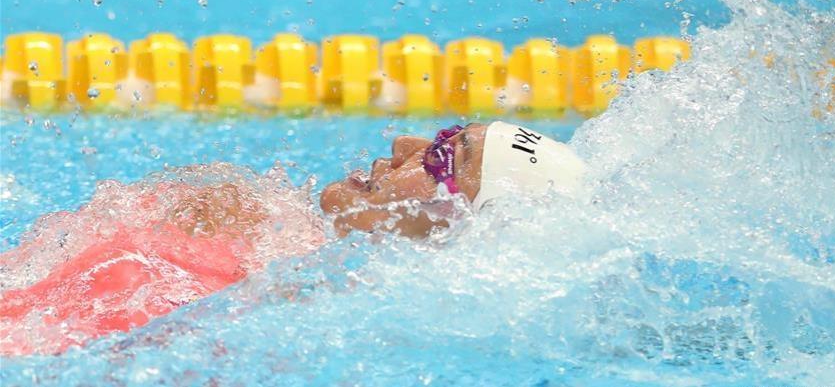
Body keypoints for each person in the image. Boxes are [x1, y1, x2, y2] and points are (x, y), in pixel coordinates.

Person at [0, 122, 586, 355]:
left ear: (451, 223)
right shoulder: (244, 213)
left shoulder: (316, 327)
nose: (405, 143)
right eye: (443, 132)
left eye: (440, 154)